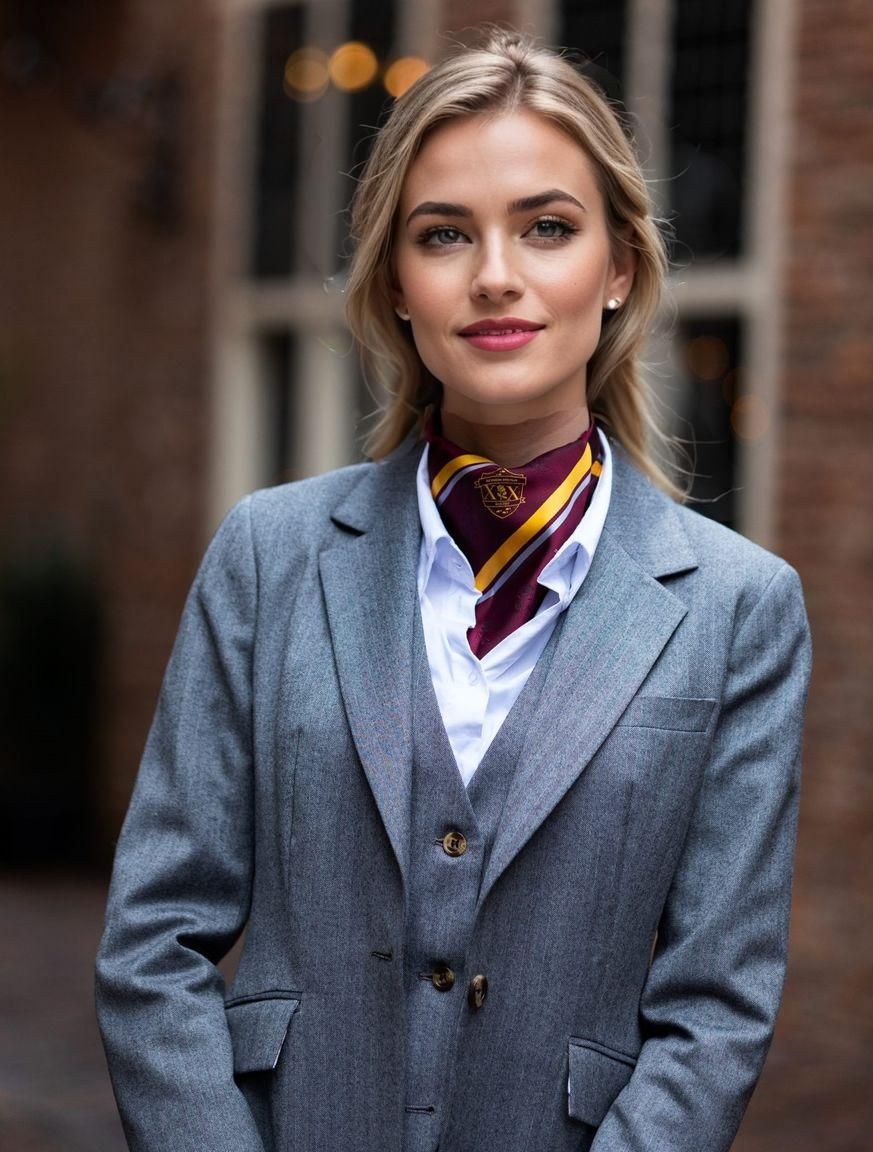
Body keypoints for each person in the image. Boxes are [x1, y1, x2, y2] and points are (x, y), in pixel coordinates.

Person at [95, 27, 812, 1152]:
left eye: (547, 227)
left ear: (618, 266)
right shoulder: (266, 556)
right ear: (394, 280)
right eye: (443, 234)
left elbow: (713, 1010)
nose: (493, 273)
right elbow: (154, 941)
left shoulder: (738, 610)